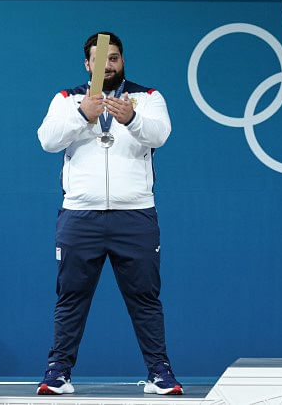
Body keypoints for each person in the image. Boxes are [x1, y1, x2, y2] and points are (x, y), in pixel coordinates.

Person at [35, 32, 183, 395]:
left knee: (145, 298)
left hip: (134, 215)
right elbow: (47, 139)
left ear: (122, 61)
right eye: (100, 60)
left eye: (114, 58)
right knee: (71, 297)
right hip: (80, 215)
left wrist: (132, 119)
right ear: (88, 64)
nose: (108, 65)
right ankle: (58, 372)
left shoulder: (147, 97)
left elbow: (161, 134)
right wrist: (82, 116)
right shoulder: (67, 99)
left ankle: (160, 373)